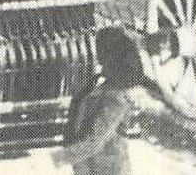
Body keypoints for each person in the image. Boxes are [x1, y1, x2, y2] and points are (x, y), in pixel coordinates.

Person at [53, 27, 145, 175]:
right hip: (91, 167)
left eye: (101, 51)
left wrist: (56, 158)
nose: (98, 56)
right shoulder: (101, 83)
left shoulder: (116, 98)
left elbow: (95, 141)